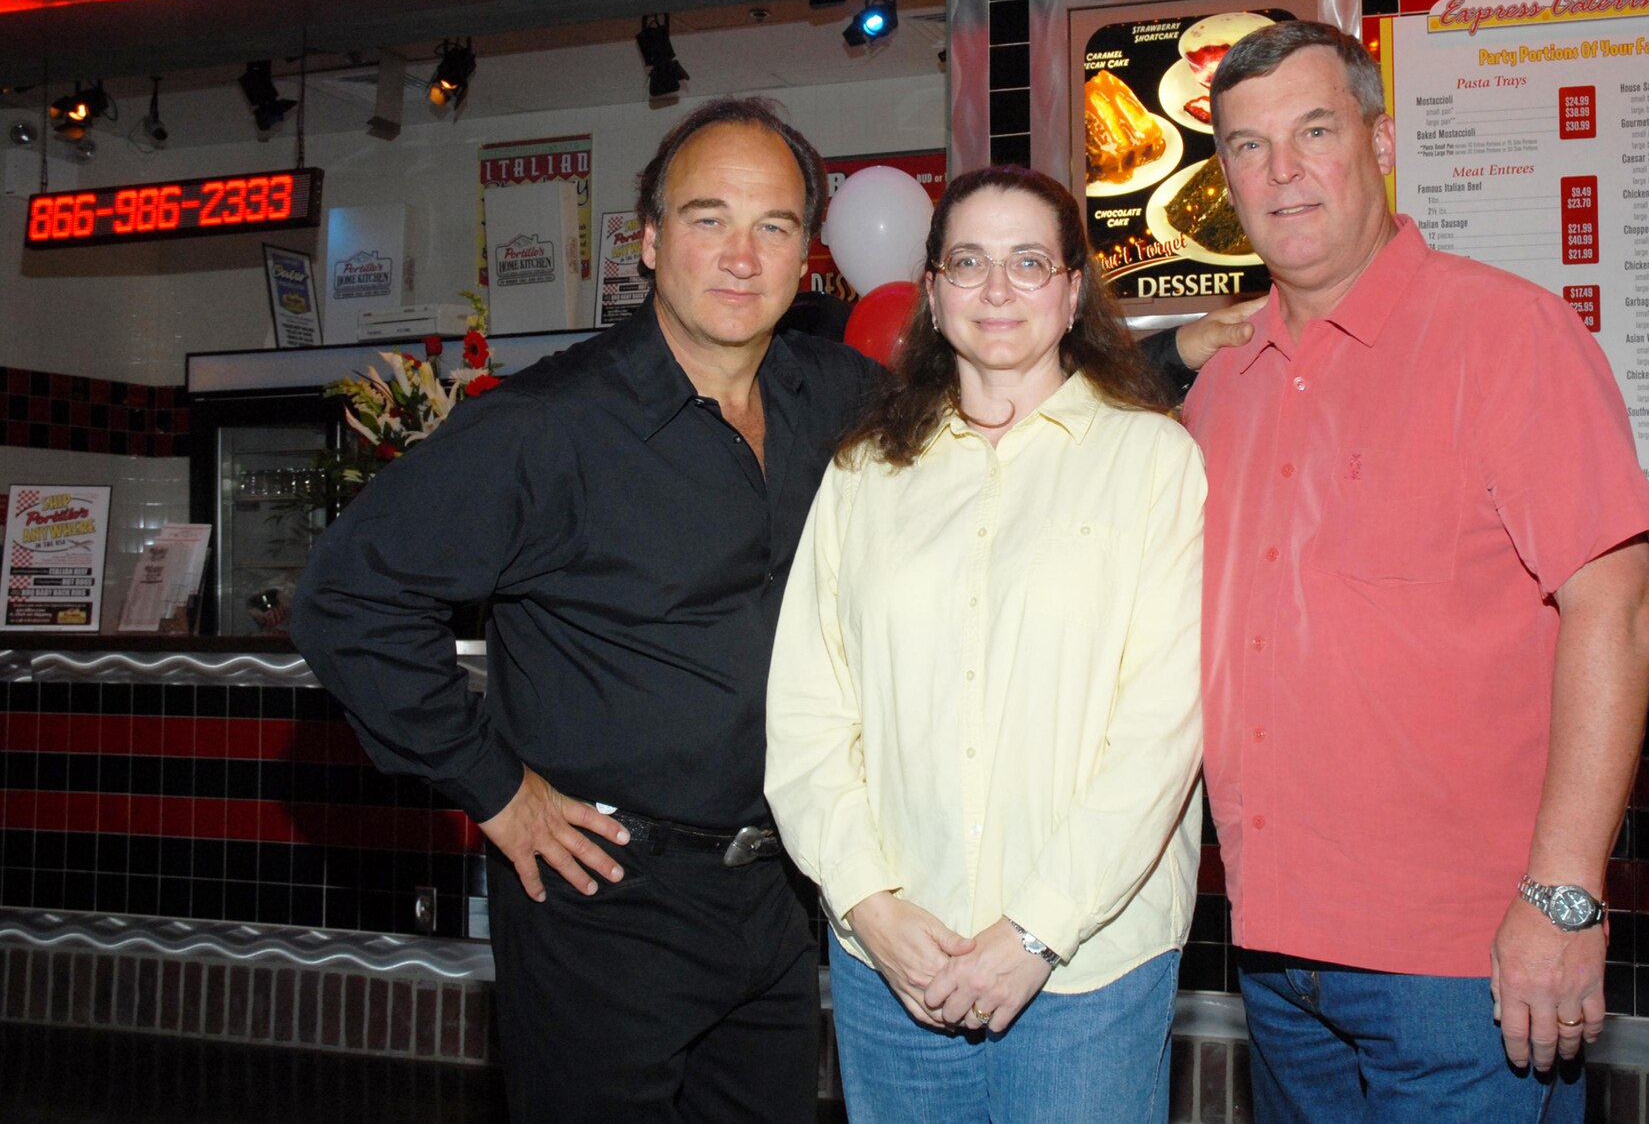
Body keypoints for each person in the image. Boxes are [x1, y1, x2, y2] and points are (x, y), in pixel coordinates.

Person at [290, 97, 877, 1121]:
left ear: (806, 257)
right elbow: (349, 596)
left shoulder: (832, 394)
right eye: (707, 219)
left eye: (773, 226)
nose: (740, 256)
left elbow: (1001, 405)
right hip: (606, 899)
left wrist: (1176, 357)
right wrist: (494, 787)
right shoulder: (545, 425)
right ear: (648, 241)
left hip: (779, 895)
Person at [1181, 20, 1649, 1121]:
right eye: (1248, 148)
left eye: (1313, 130)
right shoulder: (1223, 387)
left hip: (1465, 968)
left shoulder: (1505, 333)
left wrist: (1562, 897)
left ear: (1380, 138)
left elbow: (1619, 606)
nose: (1283, 171)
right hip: (1273, 955)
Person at [764, 166, 1206, 1123]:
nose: (997, 290)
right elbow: (805, 714)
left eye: (1028, 262)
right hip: (895, 962)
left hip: (1088, 967)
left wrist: (1037, 931)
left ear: (1074, 288)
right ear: (931, 290)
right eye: (968, 262)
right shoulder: (866, 471)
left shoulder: (1152, 461)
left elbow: (1164, 732)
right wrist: (870, 905)